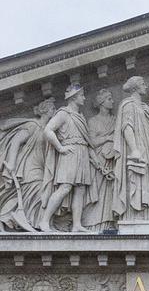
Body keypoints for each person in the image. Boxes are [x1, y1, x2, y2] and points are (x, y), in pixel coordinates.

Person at [39, 85, 93, 232]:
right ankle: (44, 221)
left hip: (82, 152)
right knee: (65, 188)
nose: (84, 98)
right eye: (82, 95)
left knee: (80, 189)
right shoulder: (64, 113)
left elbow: (87, 142)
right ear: (74, 97)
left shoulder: (80, 116)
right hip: (69, 152)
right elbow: (48, 130)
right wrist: (60, 148)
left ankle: (76, 224)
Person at [0, 98, 56, 231]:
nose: (55, 111)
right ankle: (33, 223)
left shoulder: (47, 129)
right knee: (36, 192)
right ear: (45, 111)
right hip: (29, 168)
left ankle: (30, 222)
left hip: (40, 166)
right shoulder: (33, 125)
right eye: (53, 109)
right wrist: (12, 163)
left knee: (39, 194)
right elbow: (16, 141)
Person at [113, 76, 149, 222]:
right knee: (139, 177)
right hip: (138, 146)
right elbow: (127, 127)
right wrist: (134, 149)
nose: (146, 86)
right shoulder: (128, 104)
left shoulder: (143, 106)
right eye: (142, 83)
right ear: (135, 87)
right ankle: (138, 213)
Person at [82, 89, 118, 231]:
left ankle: (109, 222)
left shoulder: (115, 120)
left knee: (109, 192)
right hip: (97, 161)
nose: (113, 101)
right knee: (96, 191)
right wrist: (108, 138)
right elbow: (91, 142)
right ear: (102, 102)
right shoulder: (93, 121)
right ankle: (92, 223)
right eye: (109, 99)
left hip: (112, 160)